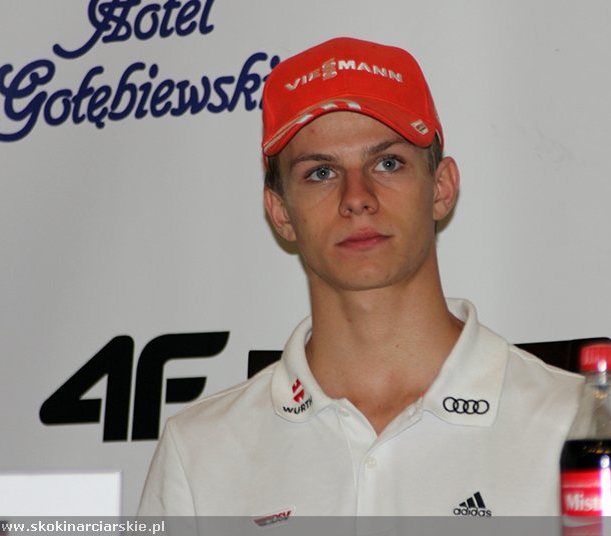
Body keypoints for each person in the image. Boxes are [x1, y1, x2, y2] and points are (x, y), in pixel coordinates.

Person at [138, 36, 582, 517]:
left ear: (441, 188)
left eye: (387, 163)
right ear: (281, 212)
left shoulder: (574, 424)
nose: (356, 197)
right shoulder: (199, 452)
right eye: (320, 173)